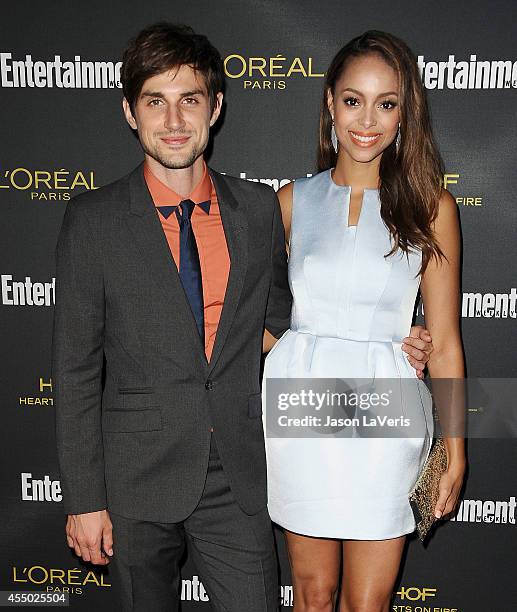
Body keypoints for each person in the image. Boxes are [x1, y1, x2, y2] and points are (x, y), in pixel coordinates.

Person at [52, 22, 433, 612]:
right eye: (156, 101)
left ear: (216, 107)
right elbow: (75, 370)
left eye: (190, 100)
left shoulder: (257, 210)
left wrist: (391, 340)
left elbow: (289, 320)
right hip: (134, 479)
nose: (174, 121)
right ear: (130, 112)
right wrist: (84, 498)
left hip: (242, 473)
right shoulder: (92, 220)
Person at [262, 31, 466, 612]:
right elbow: (248, 314)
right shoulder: (290, 201)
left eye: (386, 102)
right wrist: (284, 350)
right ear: (330, 102)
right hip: (300, 410)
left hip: (385, 416)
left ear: (406, 112)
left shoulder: (432, 207)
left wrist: (455, 448)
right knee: (312, 594)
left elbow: (447, 343)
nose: (367, 121)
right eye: (353, 100)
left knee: (366, 605)